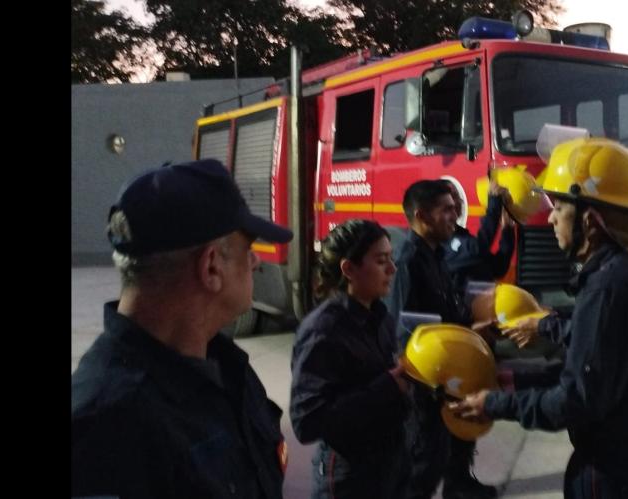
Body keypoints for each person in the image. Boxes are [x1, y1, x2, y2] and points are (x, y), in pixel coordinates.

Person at [449, 138, 628, 499]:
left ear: (590, 221)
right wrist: (511, 379)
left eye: (560, 207)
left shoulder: (608, 290)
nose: (552, 217)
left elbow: (577, 400)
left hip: (614, 477)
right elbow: (593, 371)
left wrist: (494, 404)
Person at [71, 159, 293, 499]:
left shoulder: (227, 367)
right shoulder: (106, 426)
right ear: (211, 266)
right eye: (247, 249)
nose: (256, 261)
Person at [386, 179, 498, 499]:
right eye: (446, 210)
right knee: (423, 464)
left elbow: (444, 309)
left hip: (449, 370)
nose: (454, 216)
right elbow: (405, 331)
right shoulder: (408, 262)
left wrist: (472, 324)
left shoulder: (435, 254)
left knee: (450, 445)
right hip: (426, 382)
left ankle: (458, 485)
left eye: (454, 208)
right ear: (422, 216)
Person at [289, 219, 411, 498]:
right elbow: (307, 422)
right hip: (351, 478)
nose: (392, 269)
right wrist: (387, 387)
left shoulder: (380, 316)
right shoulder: (323, 330)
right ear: (349, 269)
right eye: (381, 261)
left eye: (391, 259)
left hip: (391, 464)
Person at [441, 179, 515, 298]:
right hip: (463, 313)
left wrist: (507, 229)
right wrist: (494, 204)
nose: (458, 201)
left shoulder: (462, 236)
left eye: (457, 196)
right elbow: (478, 248)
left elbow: (499, 268)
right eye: (452, 196)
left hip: (483, 307)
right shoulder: (443, 243)